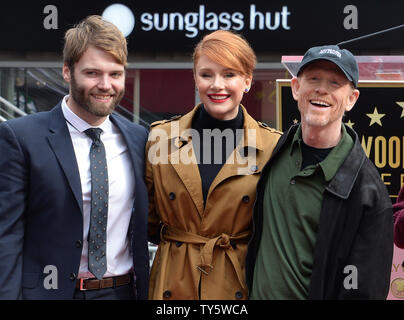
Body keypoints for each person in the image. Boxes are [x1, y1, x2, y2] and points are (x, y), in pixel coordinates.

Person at [0, 15, 149, 300]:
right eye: (92, 73)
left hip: (123, 293)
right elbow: (5, 236)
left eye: (115, 74)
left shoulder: (138, 138)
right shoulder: (19, 138)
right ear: (67, 71)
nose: (105, 85)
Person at [246, 45, 394, 299]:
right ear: (296, 88)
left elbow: (365, 291)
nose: (322, 89)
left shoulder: (367, 192)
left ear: (352, 99)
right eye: (313, 79)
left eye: (335, 83)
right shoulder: (275, 151)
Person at [146, 30, 281, 300]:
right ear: (195, 79)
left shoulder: (272, 146)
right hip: (173, 281)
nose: (217, 85)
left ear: (247, 80)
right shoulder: (160, 138)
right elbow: (147, 220)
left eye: (229, 74)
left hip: (237, 282)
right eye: (206, 74)